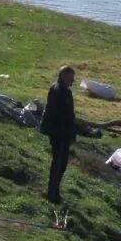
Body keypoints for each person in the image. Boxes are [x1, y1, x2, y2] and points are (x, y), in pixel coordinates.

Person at [39, 66, 78, 204]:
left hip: (57, 131)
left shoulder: (55, 88)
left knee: (60, 163)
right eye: (71, 77)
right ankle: (52, 194)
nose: (73, 80)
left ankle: (54, 191)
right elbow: (63, 114)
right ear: (64, 76)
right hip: (60, 133)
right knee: (59, 164)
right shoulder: (62, 91)